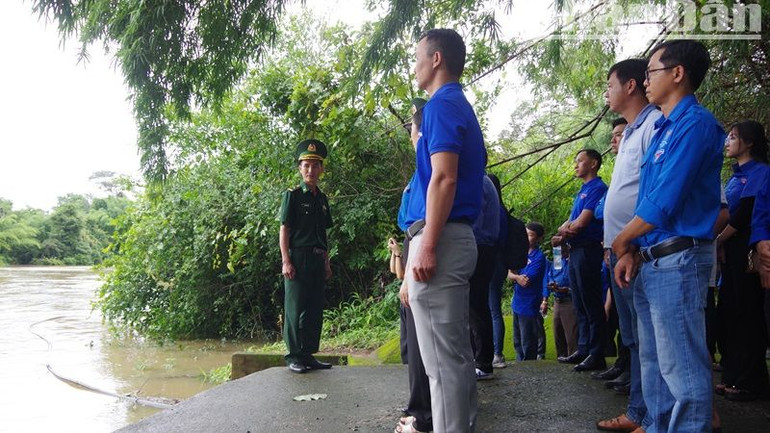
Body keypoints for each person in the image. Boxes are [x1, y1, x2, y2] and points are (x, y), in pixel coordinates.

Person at [613, 40, 725, 433]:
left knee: (683, 370)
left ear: (678, 74)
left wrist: (622, 240)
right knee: (658, 364)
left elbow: (666, 200)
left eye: (652, 72)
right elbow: (649, 198)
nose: (645, 80)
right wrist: (636, 251)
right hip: (654, 258)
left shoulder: (696, 125)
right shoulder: (662, 128)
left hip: (680, 261)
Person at [399, 28, 485, 433]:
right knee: (453, 355)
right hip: (452, 236)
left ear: (436, 59)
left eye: (417, 56)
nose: (413, 65)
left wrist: (427, 244)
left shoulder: (441, 104)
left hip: (443, 238)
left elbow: (444, 179)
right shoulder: (456, 105)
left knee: (440, 362)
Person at [596, 58, 661, 433]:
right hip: (620, 252)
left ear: (631, 85)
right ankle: (640, 412)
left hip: (637, 250)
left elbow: (653, 194)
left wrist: (631, 244)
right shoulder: (632, 133)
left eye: (610, 84)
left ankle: (651, 416)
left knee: (651, 341)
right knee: (636, 338)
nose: (607, 92)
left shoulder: (654, 126)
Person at [715, 120, 770, 402]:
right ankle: (733, 375)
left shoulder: (761, 173)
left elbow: (744, 214)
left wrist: (719, 239)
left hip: (747, 252)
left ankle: (752, 380)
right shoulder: (734, 178)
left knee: (748, 315)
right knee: (731, 312)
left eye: (733, 137)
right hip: (729, 253)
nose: (727, 141)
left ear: (749, 142)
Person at [395, 98, 434, 433]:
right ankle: (420, 407)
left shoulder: (430, 168)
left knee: (425, 338)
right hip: (412, 242)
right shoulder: (418, 173)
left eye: (412, 125)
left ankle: (422, 414)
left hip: (422, 241)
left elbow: (422, 221)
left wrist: (409, 274)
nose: (412, 133)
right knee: (415, 334)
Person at [279, 139, 334, 374]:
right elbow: (285, 229)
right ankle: (293, 355)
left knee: (314, 307)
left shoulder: (322, 199)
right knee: (294, 308)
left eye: (315, 166)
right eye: (306, 166)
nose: (311, 170)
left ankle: (308, 353)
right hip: (298, 258)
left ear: (321, 169)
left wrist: (327, 262)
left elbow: (323, 233)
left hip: (317, 258)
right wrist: (286, 261)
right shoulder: (292, 196)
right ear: (300, 169)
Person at [554, 148, 608, 372]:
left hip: (588, 249)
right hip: (575, 250)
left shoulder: (597, 188)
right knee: (579, 302)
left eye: (580, 161)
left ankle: (597, 353)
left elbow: (582, 222)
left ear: (593, 163)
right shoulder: (582, 191)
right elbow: (565, 225)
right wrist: (567, 230)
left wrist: (567, 230)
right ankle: (583, 348)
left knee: (591, 301)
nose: (576, 165)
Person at [469, 173, 500, 379]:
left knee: (476, 306)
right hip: (485, 247)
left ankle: (483, 362)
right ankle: (479, 360)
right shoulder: (485, 180)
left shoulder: (478, 180)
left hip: (480, 247)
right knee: (476, 306)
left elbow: (475, 221)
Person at [508, 222, 546, 360]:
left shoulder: (538, 257)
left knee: (528, 342)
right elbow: (509, 273)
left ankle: (529, 368)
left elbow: (526, 281)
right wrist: (516, 276)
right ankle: (520, 365)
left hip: (529, 304)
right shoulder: (521, 253)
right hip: (517, 303)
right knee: (517, 341)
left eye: (530, 235)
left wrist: (515, 276)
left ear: (539, 238)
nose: (526, 237)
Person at [487, 173, 510, 369]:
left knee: (492, 309)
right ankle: (496, 353)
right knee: (492, 308)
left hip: (491, 261)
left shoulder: (492, 209)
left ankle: (496, 353)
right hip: (500, 263)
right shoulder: (502, 210)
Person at [544, 246, 577, 358]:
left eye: (563, 249)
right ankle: (561, 358)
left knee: (571, 335)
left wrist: (567, 290)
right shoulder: (558, 258)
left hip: (570, 300)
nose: (559, 252)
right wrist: (553, 284)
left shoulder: (574, 260)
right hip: (558, 300)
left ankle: (573, 358)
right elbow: (551, 274)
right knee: (558, 333)